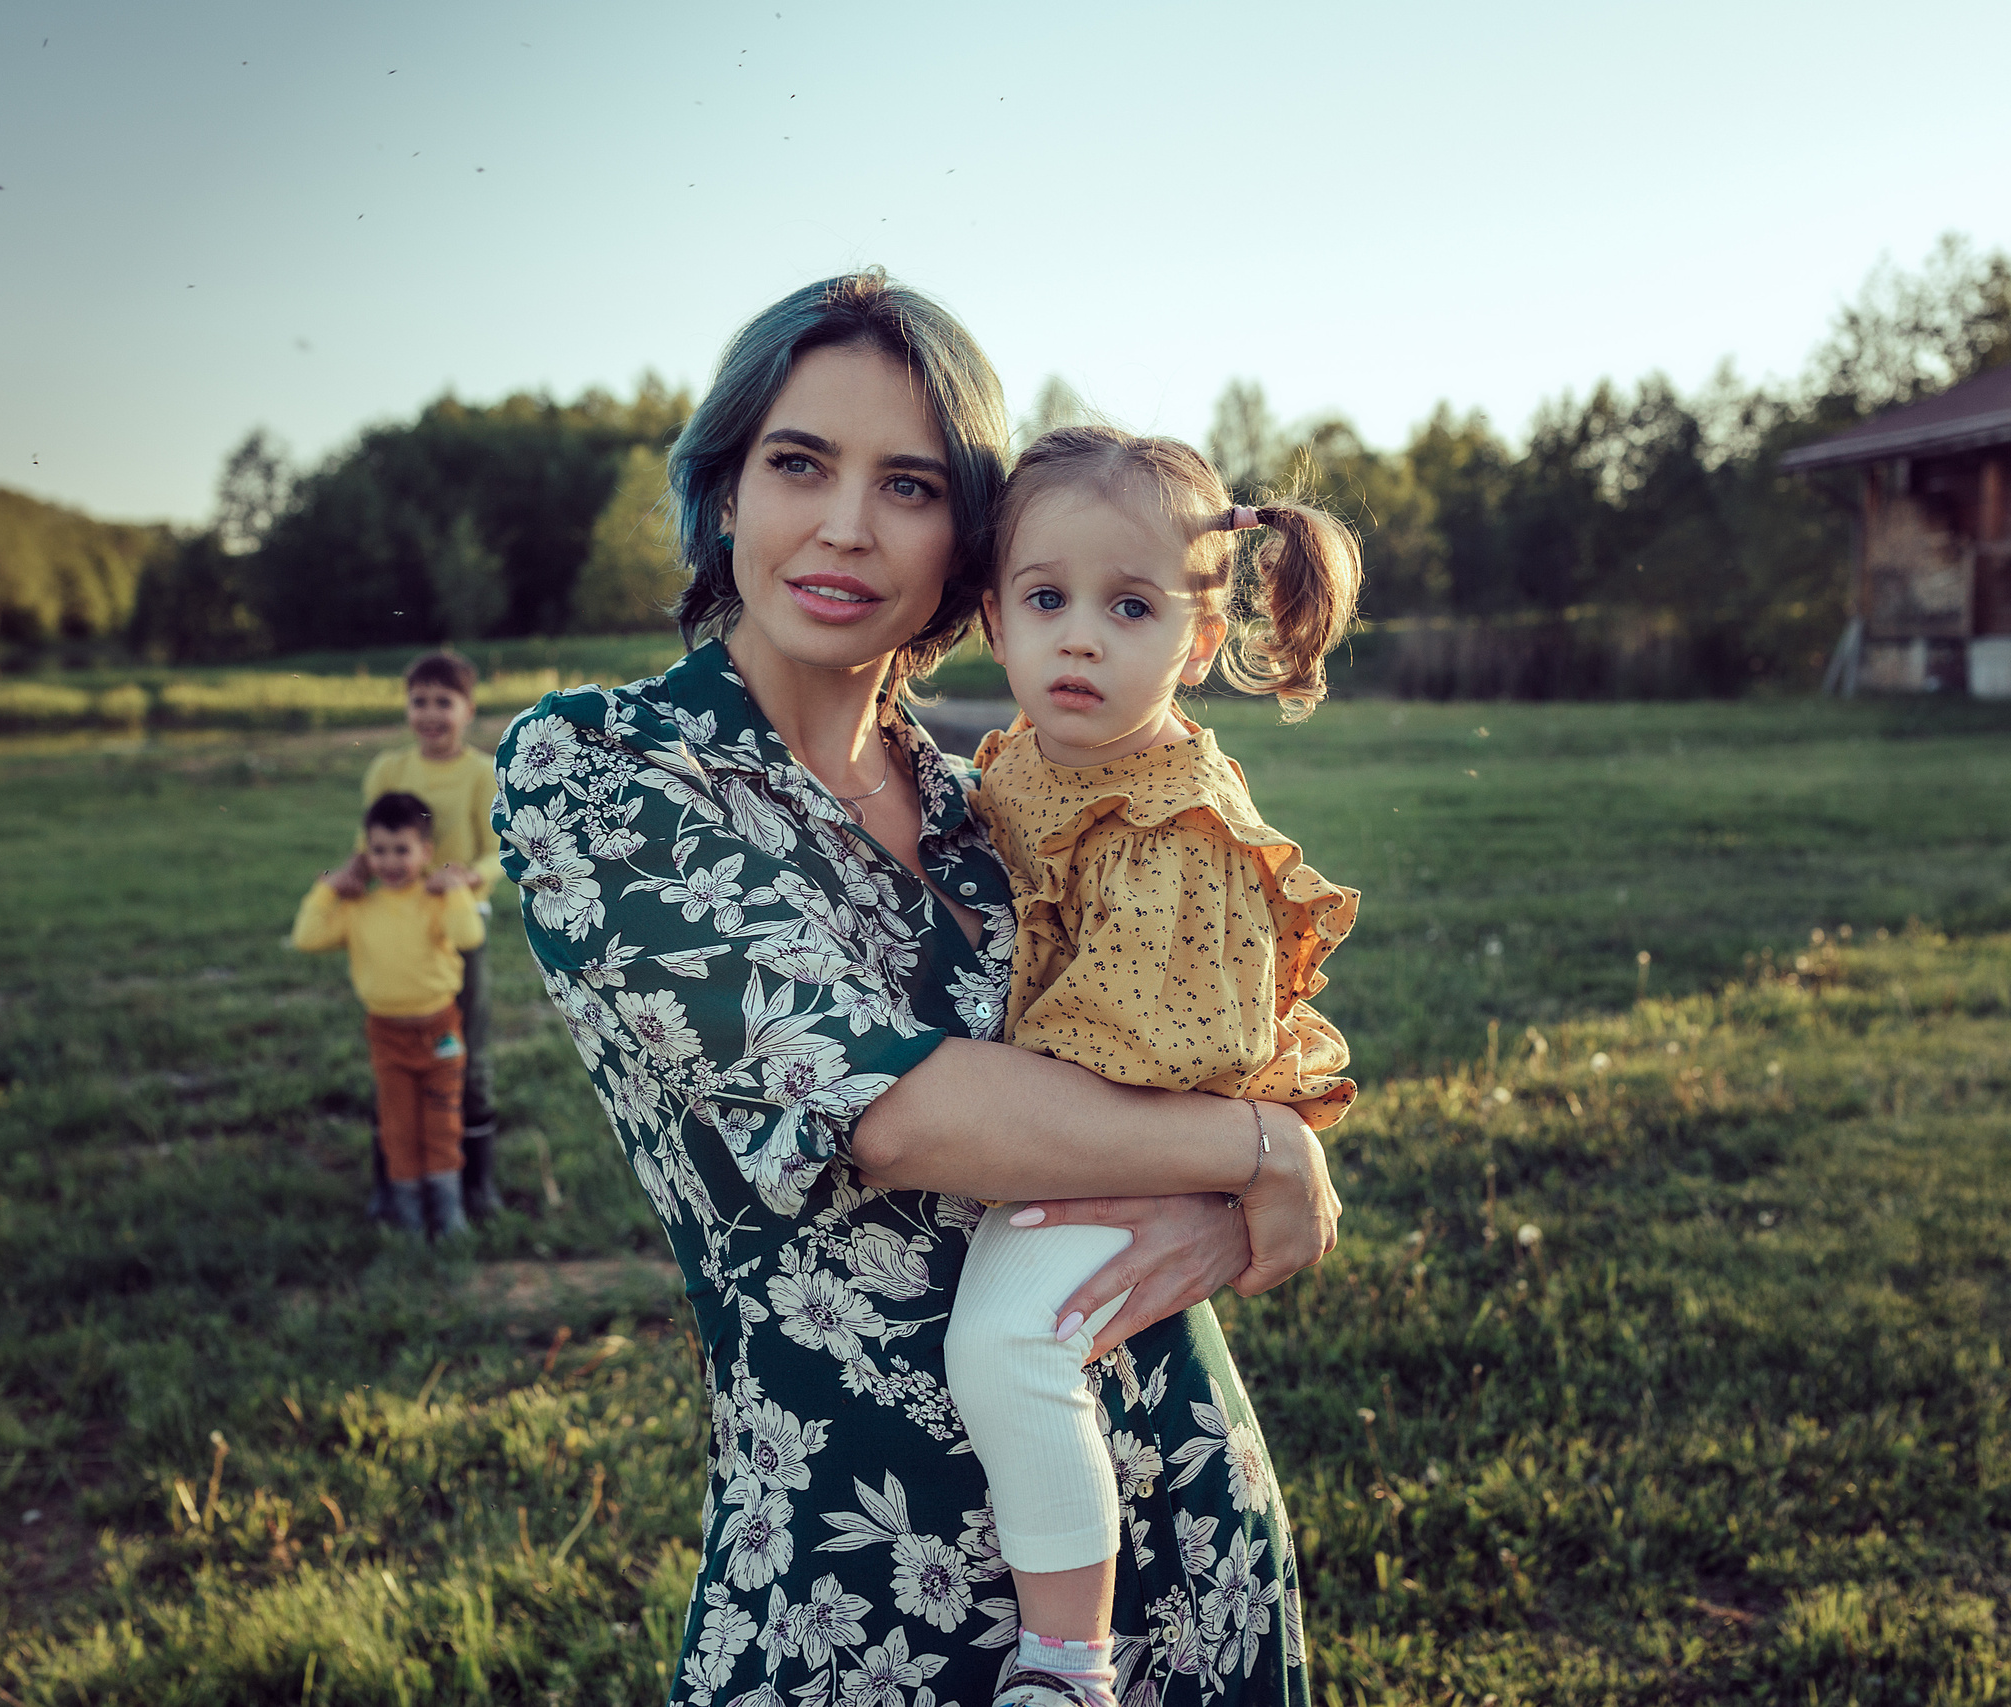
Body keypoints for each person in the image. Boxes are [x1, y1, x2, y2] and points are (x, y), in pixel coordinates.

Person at [491, 271, 1339, 1707]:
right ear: (724, 488)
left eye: (910, 483)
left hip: (1174, 1501)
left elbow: (1189, 1013)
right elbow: (888, 1107)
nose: (845, 525)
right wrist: (1268, 1155)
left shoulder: (995, 796)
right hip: (865, 1572)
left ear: (970, 537)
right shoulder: (604, 769)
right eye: (799, 463)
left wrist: (1245, 1154)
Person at [948, 426, 1362, 1703]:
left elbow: (1130, 1053)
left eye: (1129, 607)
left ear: (1193, 640)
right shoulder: (1022, 756)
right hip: (1105, 1115)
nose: (1080, 638)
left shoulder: (1165, 821)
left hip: (1137, 1119)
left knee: (1009, 1338)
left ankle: (1066, 1663)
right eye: (1046, 599)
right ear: (992, 616)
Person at [331, 650, 509, 1218]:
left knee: (464, 1053)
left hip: (456, 926)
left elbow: (501, 850)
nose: (431, 714)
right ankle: (392, 1181)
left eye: (443, 702)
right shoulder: (387, 769)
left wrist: (471, 875)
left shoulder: (482, 772)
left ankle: (475, 1183)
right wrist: (354, 873)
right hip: (398, 928)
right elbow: (371, 842)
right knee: (394, 1054)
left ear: (468, 710)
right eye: (419, 701)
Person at [296, 790, 488, 1238]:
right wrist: (328, 887)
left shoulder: (437, 900)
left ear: (425, 852)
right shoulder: (359, 906)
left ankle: (448, 1212)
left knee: (441, 1123)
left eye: (402, 850)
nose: (391, 861)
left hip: (439, 1029)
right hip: (387, 1035)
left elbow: (469, 935)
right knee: (398, 1125)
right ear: (364, 854)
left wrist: (457, 889)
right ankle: (407, 1215)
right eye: (378, 851)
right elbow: (307, 937)